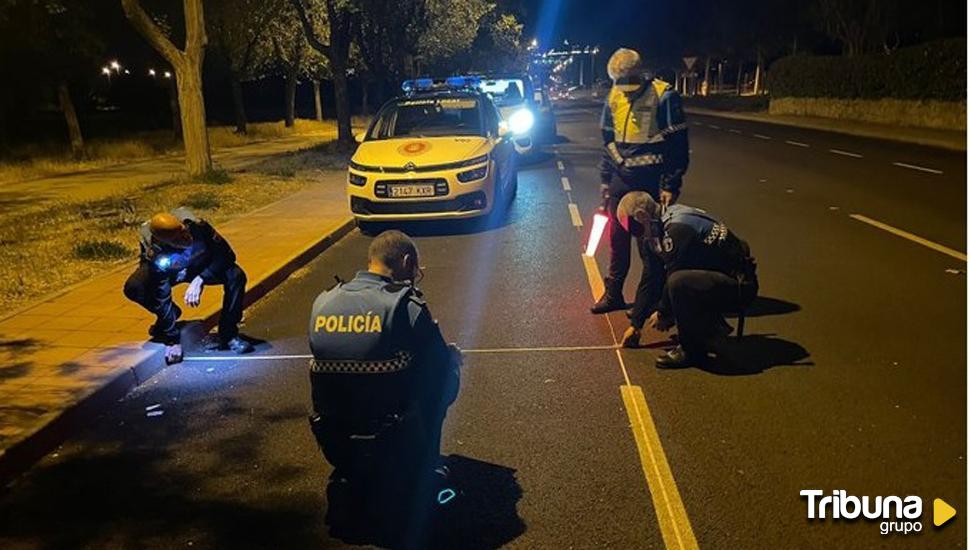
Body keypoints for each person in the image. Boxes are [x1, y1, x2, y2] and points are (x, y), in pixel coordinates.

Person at [307, 230, 460, 544]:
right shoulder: (406, 306)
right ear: (406, 262)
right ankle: (428, 466)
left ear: (371, 261)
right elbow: (437, 362)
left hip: (335, 433)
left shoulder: (323, 301)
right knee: (445, 376)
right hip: (395, 434)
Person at [591, 48, 690, 317]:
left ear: (640, 73)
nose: (624, 90)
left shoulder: (664, 95)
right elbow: (608, 140)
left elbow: (678, 146)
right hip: (620, 180)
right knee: (617, 239)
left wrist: (670, 184)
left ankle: (653, 298)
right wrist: (605, 178)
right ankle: (614, 294)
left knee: (650, 244)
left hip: (652, 181)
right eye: (619, 84)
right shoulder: (614, 96)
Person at [616, 192, 758, 368]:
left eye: (632, 228)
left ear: (641, 216)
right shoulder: (658, 224)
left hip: (739, 285)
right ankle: (712, 328)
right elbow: (651, 276)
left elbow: (673, 275)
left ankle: (692, 351)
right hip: (716, 277)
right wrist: (636, 324)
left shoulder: (677, 229)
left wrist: (663, 313)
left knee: (678, 283)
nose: (634, 235)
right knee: (678, 284)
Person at [123, 208, 252, 364]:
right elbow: (161, 292)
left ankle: (229, 333)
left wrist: (201, 279)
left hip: (200, 266)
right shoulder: (157, 254)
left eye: (183, 232)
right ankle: (171, 317)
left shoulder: (198, 227)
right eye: (177, 239)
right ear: (164, 242)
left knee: (236, 275)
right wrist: (172, 340)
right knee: (135, 287)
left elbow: (226, 255)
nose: (185, 238)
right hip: (174, 271)